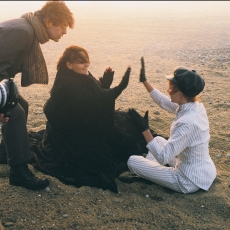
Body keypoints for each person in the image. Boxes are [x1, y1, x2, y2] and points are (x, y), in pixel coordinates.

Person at [30, 45, 149, 193]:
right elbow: (96, 101)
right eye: (81, 62)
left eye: (87, 60)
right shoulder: (69, 83)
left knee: (127, 122)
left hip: (79, 124)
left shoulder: (77, 76)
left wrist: (105, 84)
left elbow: (92, 99)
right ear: (69, 64)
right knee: (118, 143)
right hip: (74, 136)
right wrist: (120, 87)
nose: (86, 64)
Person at [0, 1, 74, 190]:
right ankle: (19, 172)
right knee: (14, 113)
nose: (64, 32)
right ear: (48, 21)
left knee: (21, 106)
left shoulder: (27, 29)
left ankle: (6, 151)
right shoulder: (23, 32)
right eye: (63, 26)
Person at [127, 57, 216, 194]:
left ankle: (152, 174)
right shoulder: (195, 106)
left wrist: (145, 129)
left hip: (187, 180)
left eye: (171, 88)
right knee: (158, 140)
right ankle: (154, 173)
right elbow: (164, 102)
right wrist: (145, 82)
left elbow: (163, 156)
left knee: (132, 161)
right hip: (203, 172)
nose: (168, 90)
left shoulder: (187, 122)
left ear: (180, 94)